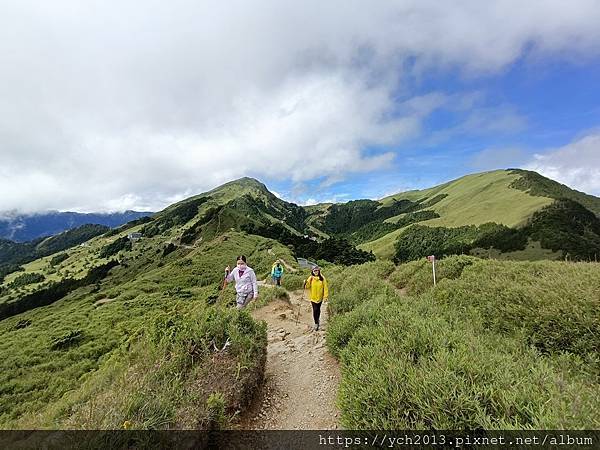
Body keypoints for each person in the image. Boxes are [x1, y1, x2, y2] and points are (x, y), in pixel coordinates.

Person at [303, 265, 328, 331]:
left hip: (320, 298)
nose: (316, 272)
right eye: (314, 270)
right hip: (313, 297)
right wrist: (305, 283)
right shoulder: (310, 278)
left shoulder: (322, 278)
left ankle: (318, 319)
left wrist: (325, 296)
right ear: (312, 271)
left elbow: (325, 288)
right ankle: (316, 323)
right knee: (315, 310)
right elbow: (307, 287)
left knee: (318, 309)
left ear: (319, 271)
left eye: (317, 270)